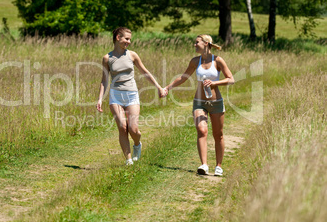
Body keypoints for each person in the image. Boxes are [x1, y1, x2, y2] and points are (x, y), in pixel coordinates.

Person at [162, 34, 234, 176]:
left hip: (216, 102)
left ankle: (218, 166)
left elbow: (231, 79)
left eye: (197, 43)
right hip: (199, 102)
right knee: (201, 130)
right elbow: (183, 77)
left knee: (218, 135)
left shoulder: (218, 60)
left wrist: (215, 83)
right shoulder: (195, 61)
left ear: (206, 43)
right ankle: (204, 165)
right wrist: (167, 88)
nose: (194, 45)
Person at [96, 27, 166, 165]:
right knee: (122, 127)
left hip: (132, 94)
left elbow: (145, 72)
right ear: (118, 38)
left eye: (129, 39)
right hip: (115, 95)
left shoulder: (132, 55)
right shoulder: (107, 58)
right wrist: (99, 99)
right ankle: (128, 160)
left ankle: (137, 144)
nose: (129, 42)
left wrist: (158, 87)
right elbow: (104, 80)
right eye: (127, 39)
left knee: (133, 129)